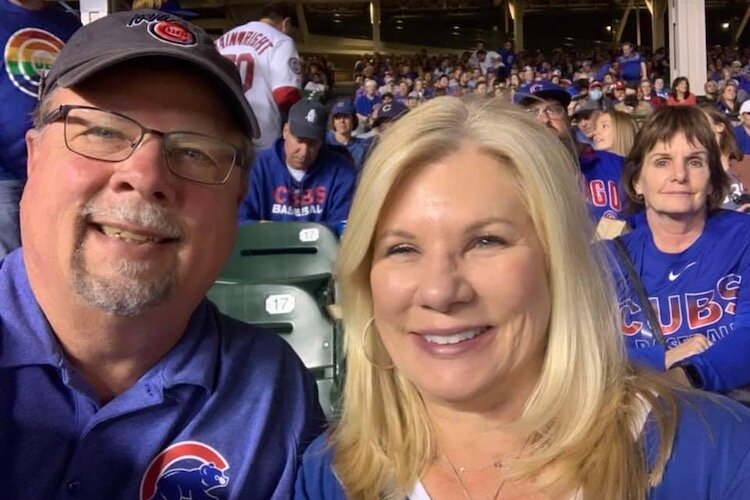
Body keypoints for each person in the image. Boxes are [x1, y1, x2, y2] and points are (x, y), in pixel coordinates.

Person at [295, 97, 750, 499]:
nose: (438, 291)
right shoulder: (330, 476)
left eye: (486, 241)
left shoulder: (714, 456)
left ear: (558, 263)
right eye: (402, 248)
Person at [0, 11, 325, 498]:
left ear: (238, 198)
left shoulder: (274, 394)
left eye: (196, 151)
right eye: (103, 132)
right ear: (34, 155)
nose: (147, 175)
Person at [612, 106, 750, 394]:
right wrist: (663, 358)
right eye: (662, 162)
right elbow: (580, 355)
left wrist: (688, 375)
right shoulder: (606, 260)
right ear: (637, 180)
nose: (679, 175)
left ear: (712, 180)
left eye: (695, 162)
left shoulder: (743, 239)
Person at [0, 0, 80, 260]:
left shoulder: (70, 25)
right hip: (5, 176)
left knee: (55, 259)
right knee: (10, 266)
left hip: (58, 166)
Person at [238, 99, 357, 233]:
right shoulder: (256, 168)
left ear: (322, 142)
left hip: (323, 252)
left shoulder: (342, 171)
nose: (304, 151)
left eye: (312, 143)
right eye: (299, 140)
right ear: (285, 131)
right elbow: (241, 222)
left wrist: (273, 229)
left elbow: (343, 228)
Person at [216, 1, 302, 149]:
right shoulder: (281, 40)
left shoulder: (222, 40)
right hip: (259, 135)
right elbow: (286, 94)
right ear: (286, 23)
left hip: (218, 128)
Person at [701, 105, 748, 211]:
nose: (696, 128)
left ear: (719, 127)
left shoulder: (745, 163)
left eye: (701, 123)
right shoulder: (697, 170)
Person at [327, 99, 372, 170]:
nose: (342, 121)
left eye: (346, 117)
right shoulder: (324, 143)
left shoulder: (362, 147)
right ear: (333, 121)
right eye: (338, 117)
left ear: (353, 120)